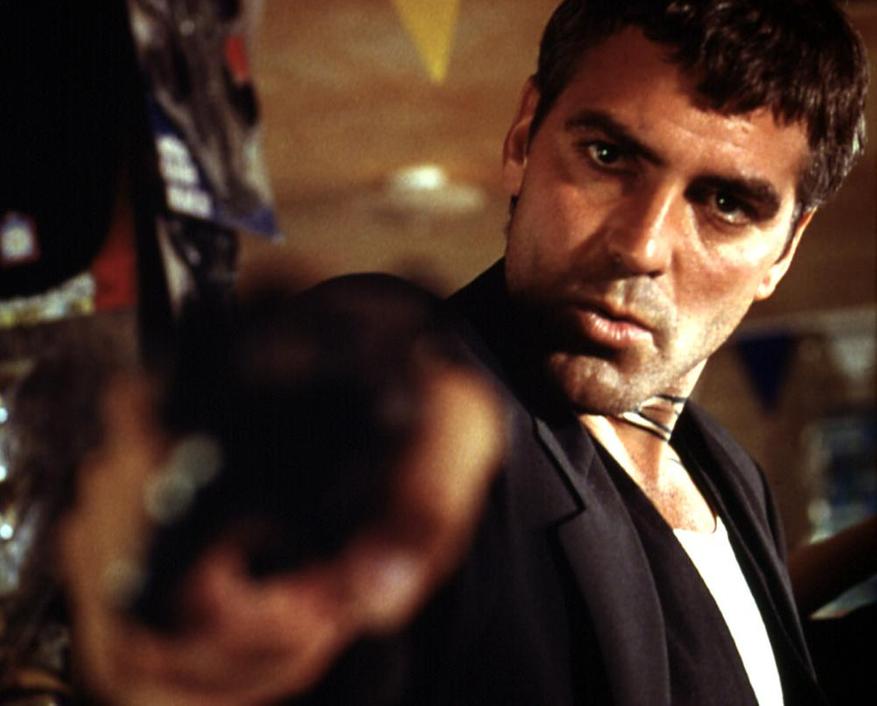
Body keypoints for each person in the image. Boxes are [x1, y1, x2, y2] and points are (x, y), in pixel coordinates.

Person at [60, 0, 870, 704]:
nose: (640, 245)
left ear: (784, 249)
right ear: (523, 135)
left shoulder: (727, 472)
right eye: (607, 156)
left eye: (725, 202)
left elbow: (725, 644)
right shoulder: (431, 405)